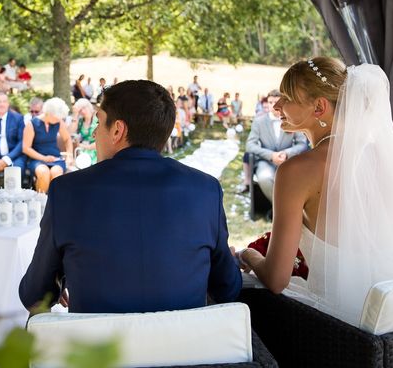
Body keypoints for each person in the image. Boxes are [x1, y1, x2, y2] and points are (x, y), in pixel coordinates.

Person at [19, 80, 241, 313]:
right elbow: (227, 288)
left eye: (98, 122)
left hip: (98, 348)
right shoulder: (205, 190)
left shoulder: (67, 190)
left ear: (117, 130)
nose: (94, 132)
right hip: (182, 348)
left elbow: (35, 295)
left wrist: (63, 274)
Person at [236, 57, 393, 326]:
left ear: (319, 107)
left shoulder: (296, 171)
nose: (277, 106)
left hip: (339, 324)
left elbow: (277, 279)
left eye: (287, 97)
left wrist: (248, 254)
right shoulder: (382, 156)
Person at [244, 89, 307, 202]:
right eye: (270, 102)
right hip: (265, 161)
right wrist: (271, 155)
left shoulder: (293, 120)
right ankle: (282, 208)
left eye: (276, 102)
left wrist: (287, 153)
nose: (273, 105)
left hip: (288, 161)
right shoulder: (259, 121)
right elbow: (250, 145)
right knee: (265, 178)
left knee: (296, 180)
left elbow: (302, 144)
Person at [22, 97, 73, 193]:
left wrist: (69, 155)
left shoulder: (58, 122)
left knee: (56, 173)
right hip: (37, 159)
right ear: (48, 113)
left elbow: (67, 139)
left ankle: (55, 203)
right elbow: (26, 148)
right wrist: (43, 158)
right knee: (43, 173)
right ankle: (42, 204)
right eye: (57, 117)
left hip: (55, 158)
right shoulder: (32, 124)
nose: (59, 119)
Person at [69, 98, 98, 165]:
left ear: (89, 107)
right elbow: (70, 133)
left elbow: (102, 140)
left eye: (83, 108)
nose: (82, 111)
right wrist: (75, 115)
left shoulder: (97, 120)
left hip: (95, 150)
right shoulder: (80, 121)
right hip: (81, 151)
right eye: (79, 110)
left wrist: (86, 147)